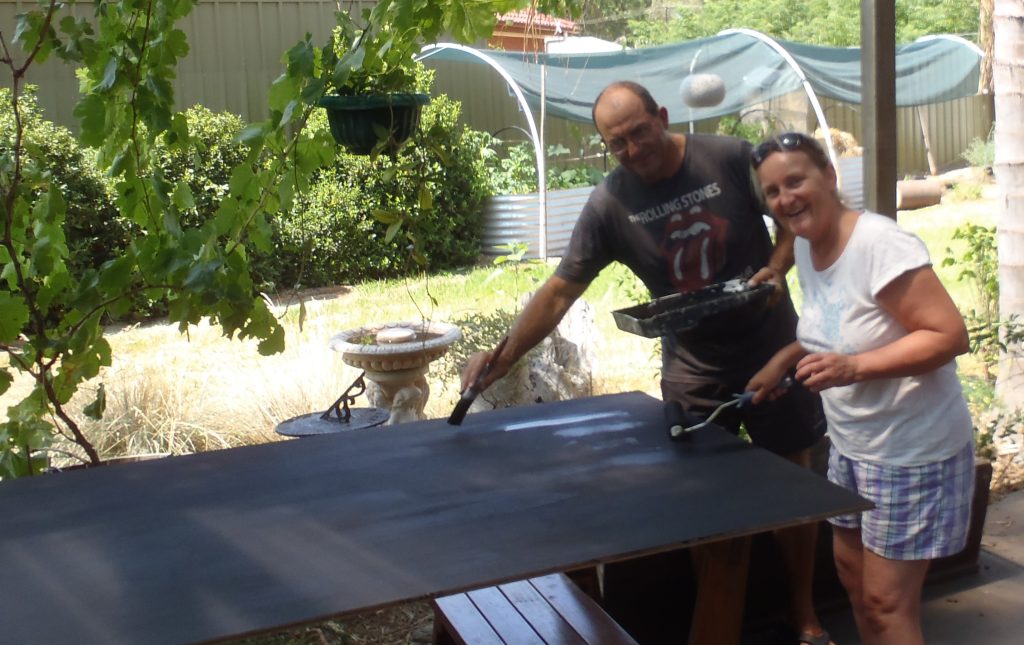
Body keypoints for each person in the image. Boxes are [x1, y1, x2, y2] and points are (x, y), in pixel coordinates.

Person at [461, 81, 831, 645]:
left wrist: (779, 267)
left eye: (640, 132)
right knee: (707, 509)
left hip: (770, 347)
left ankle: (804, 612)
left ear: (661, 116)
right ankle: (722, 617)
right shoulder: (611, 203)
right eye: (618, 144)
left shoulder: (726, 157)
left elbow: (791, 217)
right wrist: (503, 356)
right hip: (694, 367)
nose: (634, 149)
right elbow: (561, 290)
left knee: (793, 476)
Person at [747, 132, 975, 645]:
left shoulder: (878, 244)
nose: (786, 199)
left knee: (886, 604)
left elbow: (948, 335)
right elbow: (833, 328)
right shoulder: (806, 245)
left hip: (912, 451)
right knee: (856, 586)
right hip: (853, 447)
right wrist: (785, 359)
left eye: (796, 180)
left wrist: (854, 368)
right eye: (773, 191)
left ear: (830, 175)